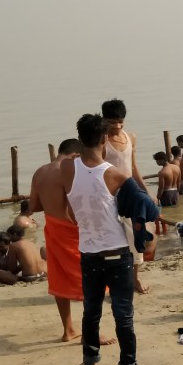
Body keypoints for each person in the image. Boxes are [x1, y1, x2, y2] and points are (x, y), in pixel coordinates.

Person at [62, 113, 153, 365]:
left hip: (88, 252)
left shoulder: (66, 169)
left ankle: (89, 362)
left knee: (91, 310)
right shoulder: (116, 175)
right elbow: (146, 208)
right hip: (117, 253)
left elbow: (70, 211)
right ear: (104, 139)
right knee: (123, 313)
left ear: (80, 139)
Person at [28, 138, 112, 342]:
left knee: (59, 277)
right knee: (89, 278)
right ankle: (90, 332)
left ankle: (68, 330)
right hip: (72, 230)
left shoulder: (40, 171)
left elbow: (34, 206)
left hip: (53, 229)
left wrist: (52, 202)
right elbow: (75, 206)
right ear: (75, 155)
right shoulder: (68, 171)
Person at [101, 99, 150, 294]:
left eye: (120, 121)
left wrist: (146, 192)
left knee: (136, 239)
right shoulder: (101, 142)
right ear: (104, 120)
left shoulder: (130, 137)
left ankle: (135, 279)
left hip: (131, 196)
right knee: (113, 243)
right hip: (109, 198)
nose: (117, 126)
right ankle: (114, 284)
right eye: (112, 122)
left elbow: (134, 167)